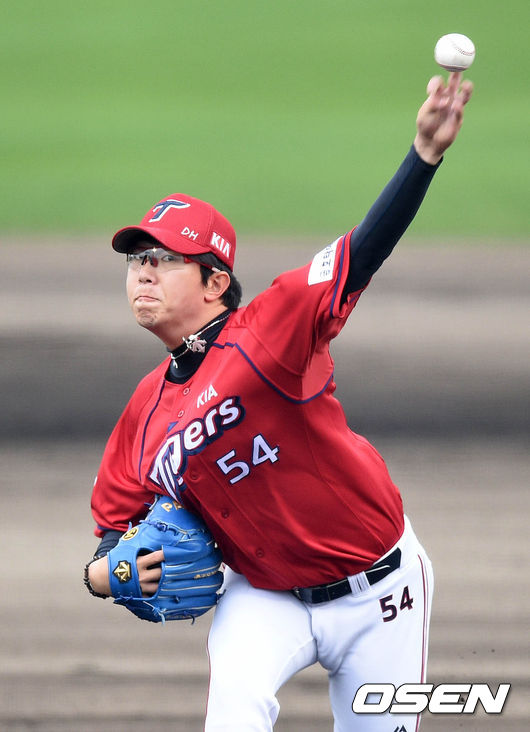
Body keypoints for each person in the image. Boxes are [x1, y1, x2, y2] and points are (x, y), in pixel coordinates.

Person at [85, 72, 473, 730]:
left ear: (215, 282)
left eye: (163, 258)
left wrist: (424, 156)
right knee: (233, 716)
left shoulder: (273, 328)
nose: (143, 270)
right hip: (263, 597)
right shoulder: (144, 413)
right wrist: (111, 574)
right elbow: (108, 537)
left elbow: (361, 251)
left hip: (378, 589)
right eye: (135, 259)